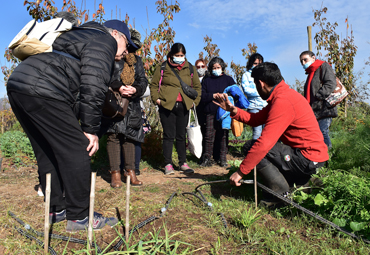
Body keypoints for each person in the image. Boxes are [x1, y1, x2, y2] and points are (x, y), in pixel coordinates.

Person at [6, 17, 136, 231]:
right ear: (115, 34)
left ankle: (56, 209)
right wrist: (90, 130)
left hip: (20, 82)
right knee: (78, 148)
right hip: (46, 88)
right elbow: (93, 85)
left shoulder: (77, 35)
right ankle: (80, 216)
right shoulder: (105, 40)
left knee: (47, 150)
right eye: (127, 45)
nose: (126, 52)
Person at [213, 62, 329, 207]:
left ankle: (280, 195)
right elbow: (255, 119)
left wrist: (241, 172)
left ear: (261, 83)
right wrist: (233, 110)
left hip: (307, 158)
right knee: (257, 147)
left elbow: (264, 144)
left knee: (253, 147)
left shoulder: (283, 101)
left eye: (255, 84)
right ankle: (302, 182)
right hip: (312, 156)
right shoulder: (283, 95)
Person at [100, 27, 148, 188]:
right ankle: (115, 173)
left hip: (132, 105)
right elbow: (106, 78)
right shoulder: (112, 58)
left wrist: (136, 89)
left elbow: (142, 81)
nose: (128, 50)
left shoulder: (138, 62)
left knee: (130, 137)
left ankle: (130, 171)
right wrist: (119, 87)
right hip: (114, 103)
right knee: (113, 136)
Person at [150, 43, 202, 175]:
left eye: (182, 55)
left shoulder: (189, 68)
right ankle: (168, 163)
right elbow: (154, 85)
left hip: (184, 106)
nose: (180, 57)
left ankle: (182, 163)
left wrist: (194, 102)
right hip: (167, 106)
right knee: (168, 135)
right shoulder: (162, 67)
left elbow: (197, 87)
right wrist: (157, 99)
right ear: (171, 55)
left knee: (181, 136)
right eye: (177, 55)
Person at [199, 57, 236, 167]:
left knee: (223, 135)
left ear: (222, 68)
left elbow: (235, 93)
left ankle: (222, 159)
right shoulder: (207, 81)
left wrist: (226, 96)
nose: (216, 69)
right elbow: (202, 96)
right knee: (208, 136)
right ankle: (206, 158)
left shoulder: (228, 80)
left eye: (218, 67)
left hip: (225, 114)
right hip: (210, 112)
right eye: (214, 68)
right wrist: (213, 95)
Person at [300, 51, 337, 149]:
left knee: (323, 132)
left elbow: (330, 83)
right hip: (315, 109)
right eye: (301, 61)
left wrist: (318, 96)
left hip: (325, 107)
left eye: (305, 59)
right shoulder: (311, 72)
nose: (303, 63)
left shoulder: (323, 66)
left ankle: (328, 155)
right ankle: (321, 156)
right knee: (316, 134)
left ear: (313, 57)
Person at [241, 53, 267, 140]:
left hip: (266, 106)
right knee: (257, 132)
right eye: (255, 63)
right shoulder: (246, 75)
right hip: (254, 106)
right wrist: (262, 91)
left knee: (267, 132)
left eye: (259, 64)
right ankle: (255, 152)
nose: (257, 65)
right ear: (251, 63)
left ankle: (268, 153)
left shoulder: (265, 75)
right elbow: (247, 90)